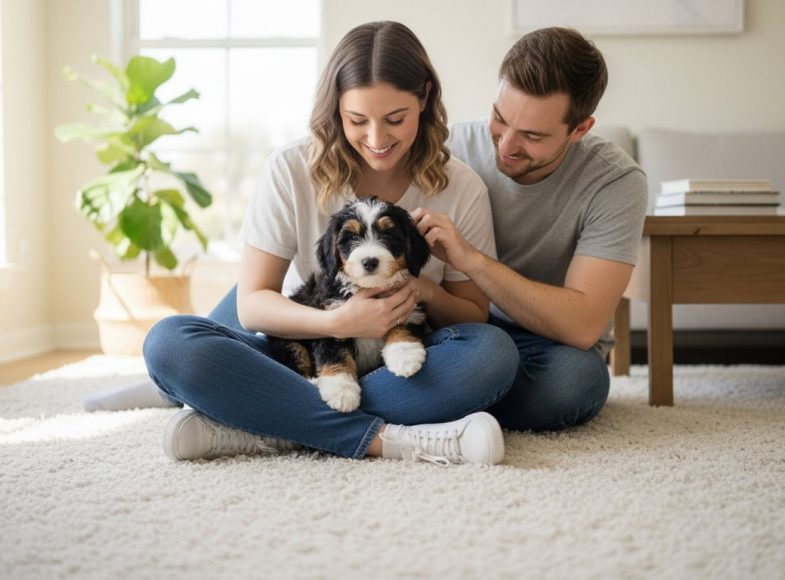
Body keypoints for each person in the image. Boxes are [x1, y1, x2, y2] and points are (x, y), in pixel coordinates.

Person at [131, 21, 519, 465]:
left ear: (425, 99)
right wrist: (340, 324)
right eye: (357, 120)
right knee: (168, 343)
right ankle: (389, 440)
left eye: (395, 119)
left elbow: (473, 316)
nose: (376, 140)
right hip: (310, 344)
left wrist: (422, 290)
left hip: (405, 354)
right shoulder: (290, 169)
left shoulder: (461, 186)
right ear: (335, 109)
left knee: (493, 356)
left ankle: (264, 422)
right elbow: (253, 305)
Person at [411, 27, 648, 431]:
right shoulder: (447, 149)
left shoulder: (615, 182)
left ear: (580, 129)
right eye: (500, 119)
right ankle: (455, 397)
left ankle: (429, 399)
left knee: (575, 384)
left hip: (548, 345)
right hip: (458, 330)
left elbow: (582, 325)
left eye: (533, 136)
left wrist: (473, 260)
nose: (506, 146)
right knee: (469, 355)